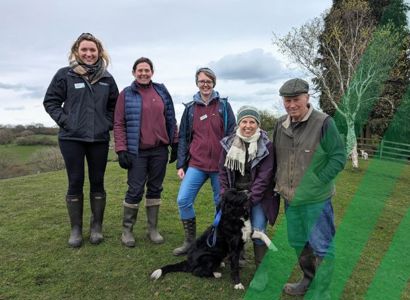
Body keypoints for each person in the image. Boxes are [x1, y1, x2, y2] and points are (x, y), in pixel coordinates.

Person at [272, 78, 346, 299]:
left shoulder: (324, 122)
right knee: (298, 242)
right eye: (287, 100)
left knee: (322, 246)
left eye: (296, 99)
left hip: (316, 199)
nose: (291, 105)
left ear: (307, 98)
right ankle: (307, 280)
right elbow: (275, 157)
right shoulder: (280, 124)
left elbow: (338, 157)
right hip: (290, 198)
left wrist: (317, 180)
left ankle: (322, 292)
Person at [43, 33, 119, 248]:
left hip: (99, 139)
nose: (88, 53)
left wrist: (106, 123)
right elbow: (51, 101)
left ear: (99, 52)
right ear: (77, 51)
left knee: (98, 181)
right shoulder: (64, 75)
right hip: (71, 138)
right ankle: (76, 229)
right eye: (84, 50)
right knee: (75, 181)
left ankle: (96, 227)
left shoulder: (107, 78)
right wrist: (66, 121)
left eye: (92, 50)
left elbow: (115, 107)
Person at [113, 57, 178, 247]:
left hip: (159, 150)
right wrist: (121, 149)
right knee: (135, 190)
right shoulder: (126, 94)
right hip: (137, 152)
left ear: (152, 72)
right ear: (134, 73)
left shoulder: (161, 91)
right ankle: (127, 230)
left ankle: (152, 229)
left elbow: (171, 118)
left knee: (156, 188)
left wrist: (175, 142)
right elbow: (118, 124)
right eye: (139, 70)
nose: (143, 73)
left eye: (147, 70)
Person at [173, 67, 236, 256]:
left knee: (222, 205)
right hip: (196, 165)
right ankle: (189, 242)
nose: (205, 84)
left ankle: (223, 243)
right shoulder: (190, 108)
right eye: (202, 81)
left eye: (209, 81)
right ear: (197, 83)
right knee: (183, 200)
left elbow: (233, 133)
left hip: (220, 166)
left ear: (214, 83)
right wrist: (181, 164)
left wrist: (231, 162)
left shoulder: (224, 106)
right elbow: (183, 137)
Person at [219, 106, 280, 271]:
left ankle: (262, 270)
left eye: (252, 121)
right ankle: (236, 256)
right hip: (235, 195)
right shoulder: (228, 144)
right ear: (239, 124)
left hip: (258, 196)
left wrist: (249, 200)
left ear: (258, 124)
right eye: (244, 121)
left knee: (258, 230)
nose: (248, 125)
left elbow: (265, 177)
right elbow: (223, 172)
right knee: (230, 228)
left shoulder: (267, 146)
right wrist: (226, 195)